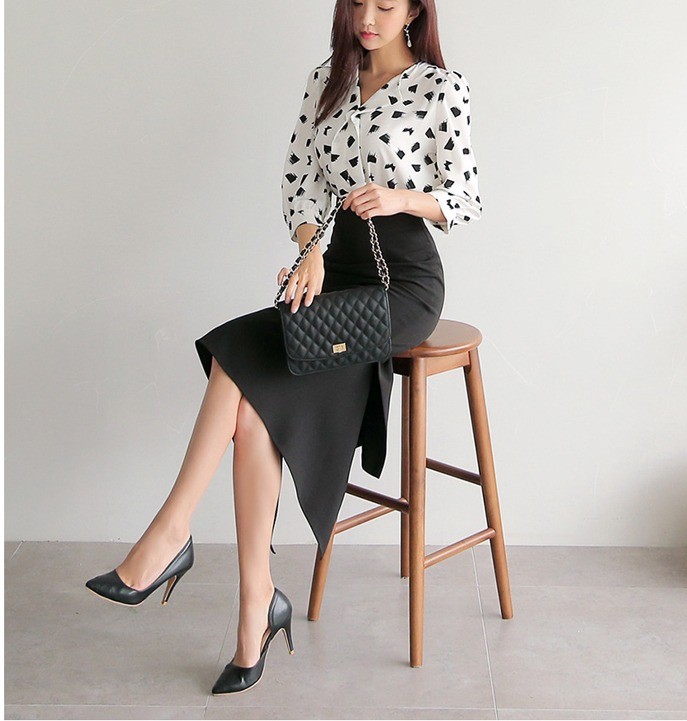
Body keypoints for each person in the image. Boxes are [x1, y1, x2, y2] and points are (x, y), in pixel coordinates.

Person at [84, 0, 482, 694]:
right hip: (335, 273)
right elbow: (300, 182)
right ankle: (254, 604)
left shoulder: (439, 87)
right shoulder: (328, 79)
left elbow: (466, 198)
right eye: (357, 2)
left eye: (386, 4)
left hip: (403, 286)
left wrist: (401, 198)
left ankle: (176, 537)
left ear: (416, 9)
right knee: (241, 373)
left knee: (244, 376)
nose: (368, 16)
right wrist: (310, 252)